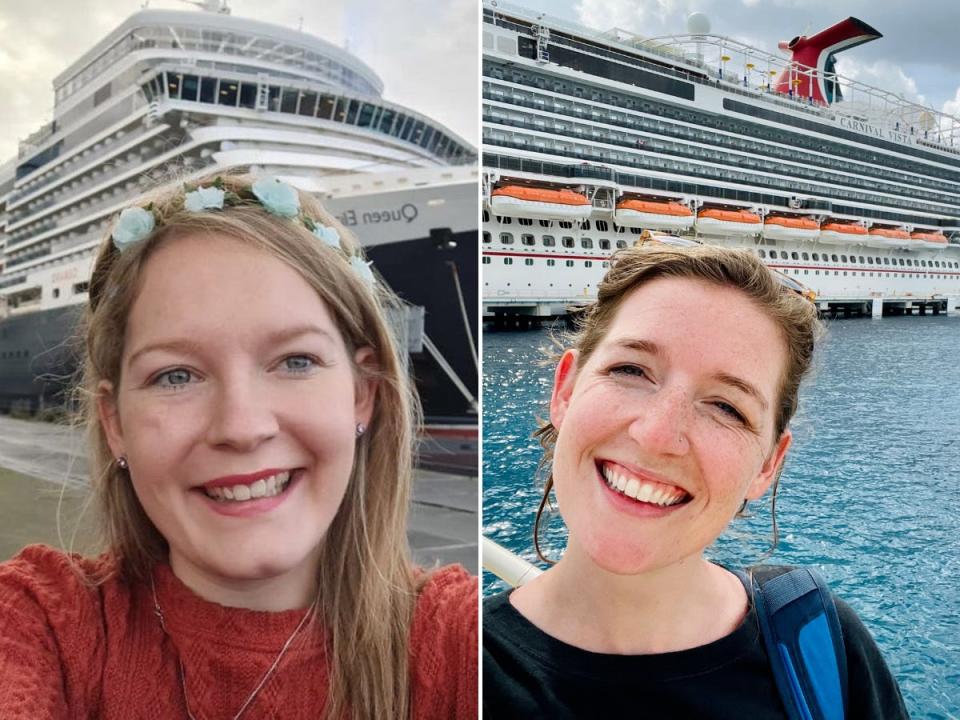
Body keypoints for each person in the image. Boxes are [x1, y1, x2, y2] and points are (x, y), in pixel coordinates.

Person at [0, 173, 477, 719]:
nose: (242, 426)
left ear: (362, 395)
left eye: (295, 361)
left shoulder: (459, 642)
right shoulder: (42, 624)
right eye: (176, 375)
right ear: (115, 423)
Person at [483, 240, 909, 719]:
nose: (657, 435)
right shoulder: (442, 675)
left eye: (726, 406)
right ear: (565, 390)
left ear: (769, 463)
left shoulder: (825, 648)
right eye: (630, 369)